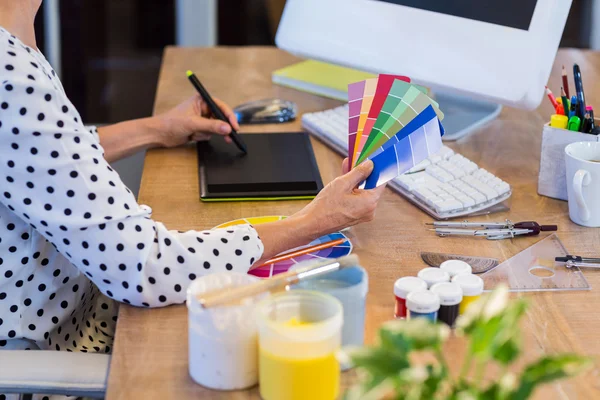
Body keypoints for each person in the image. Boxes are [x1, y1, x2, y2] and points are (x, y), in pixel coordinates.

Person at [0, 0, 384, 370]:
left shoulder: (14, 39)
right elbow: (143, 266)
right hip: (61, 345)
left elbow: (39, 159)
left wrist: (156, 129)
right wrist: (313, 221)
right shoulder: (10, 75)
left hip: (88, 297)